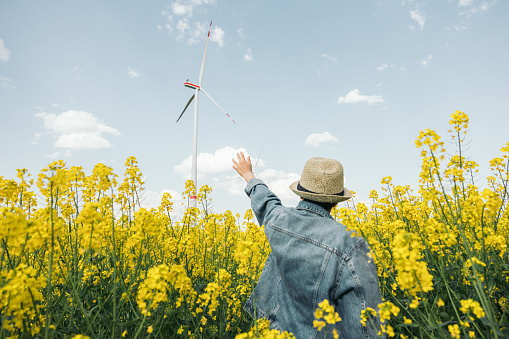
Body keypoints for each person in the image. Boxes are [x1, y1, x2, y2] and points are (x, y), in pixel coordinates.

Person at [232, 152, 384, 339]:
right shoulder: (351, 244)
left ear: (301, 195)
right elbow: (363, 318)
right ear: (336, 202)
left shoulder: (280, 220)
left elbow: (266, 203)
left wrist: (249, 175)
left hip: (274, 333)